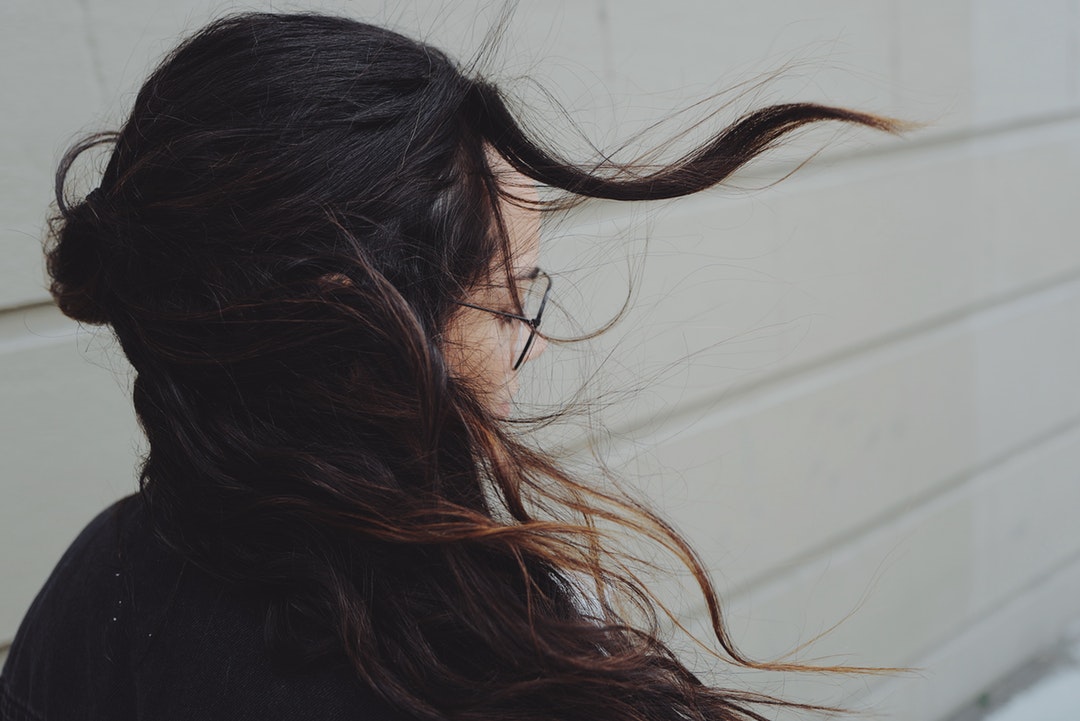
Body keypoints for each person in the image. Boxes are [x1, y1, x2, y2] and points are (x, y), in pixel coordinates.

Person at [0, 12, 900, 721]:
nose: (535, 339)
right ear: (351, 328)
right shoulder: (465, 669)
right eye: (512, 298)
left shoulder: (99, 576)